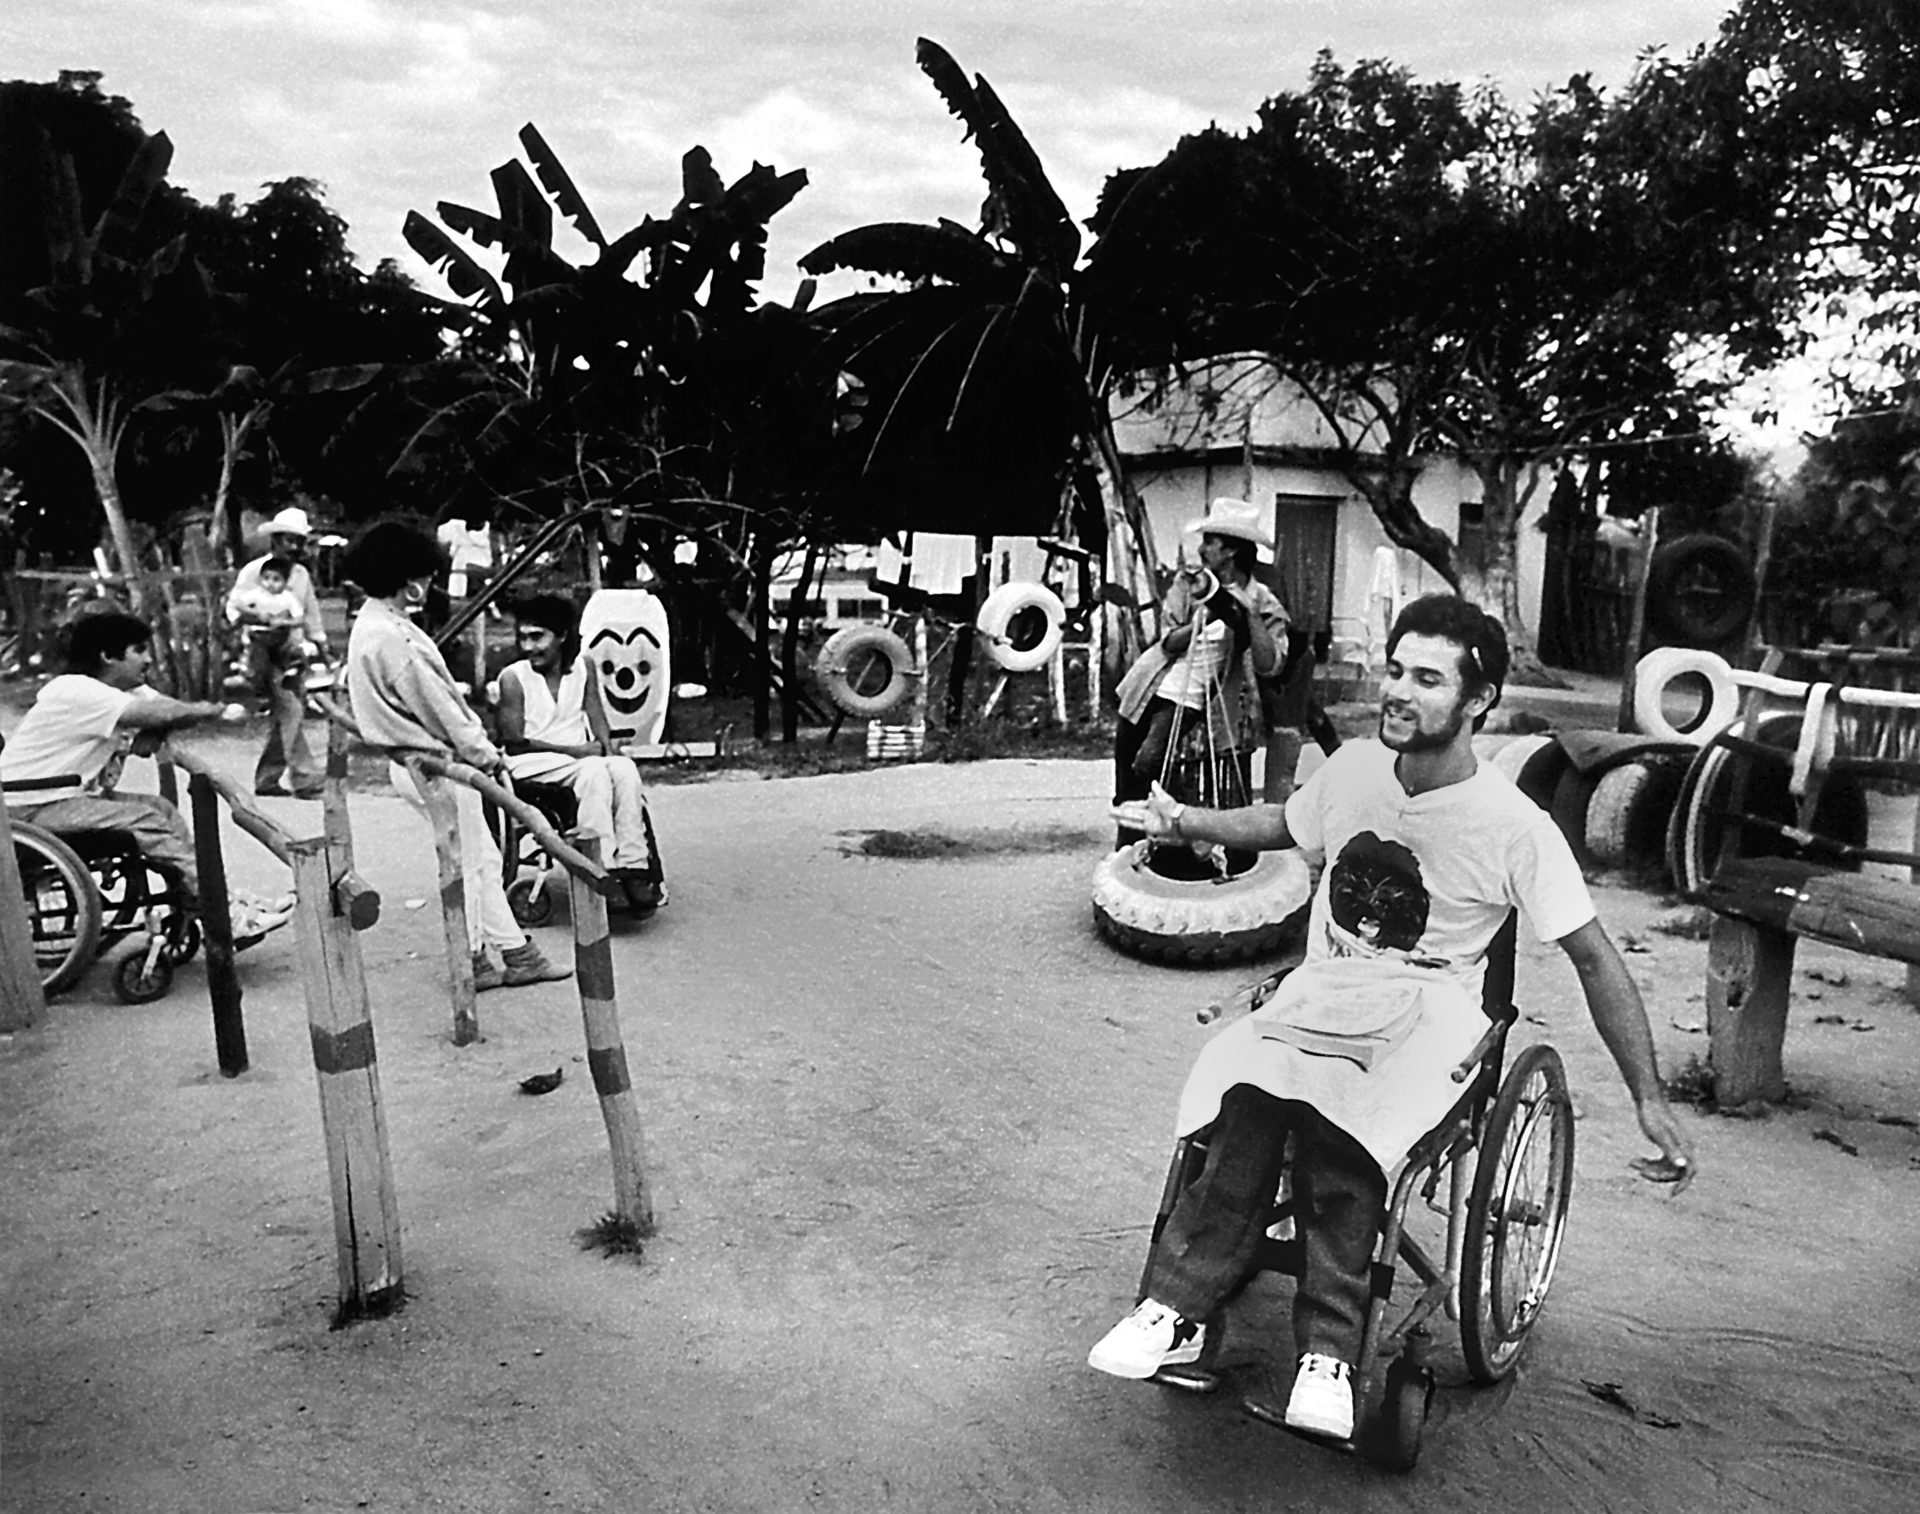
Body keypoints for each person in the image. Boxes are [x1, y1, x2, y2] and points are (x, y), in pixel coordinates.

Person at [1088, 593, 1696, 1442]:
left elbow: (1594, 957)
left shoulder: (1514, 827)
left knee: (1348, 1124)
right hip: (1326, 992)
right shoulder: (1356, 771)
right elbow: (1287, 824)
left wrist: (1649, 1099)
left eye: (1428, 679)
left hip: (1432, 1014)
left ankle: (1329, 1353)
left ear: (1478, 699)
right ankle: (1176, 1307)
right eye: (1396, 671)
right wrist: (1182, 820)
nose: (1399, 693)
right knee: (1245, 1095)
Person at [341, 519, 570, 993]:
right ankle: (473, 958)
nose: (429, 585)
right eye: (424, 576)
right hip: (434, 765)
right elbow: (443, 710)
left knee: (479, 858)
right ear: (407, 582)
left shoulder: (374, 624)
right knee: (471, 863)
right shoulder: (395, 640)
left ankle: (507, 952)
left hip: (415, 763)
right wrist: (486, 754)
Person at [1, 612, 237, 898]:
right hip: (26, 806)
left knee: (162, 810)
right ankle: (222, 907)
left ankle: (199, 899)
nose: (149, 660)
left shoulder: (124, 691)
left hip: (61, 798)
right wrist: (213, 711)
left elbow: (170, 709)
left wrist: (161, 728)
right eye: (139, 650)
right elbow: (164, 713)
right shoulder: (75, 689)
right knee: (147, 819)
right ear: (108, 656)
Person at [1112, 498, 1284, 845]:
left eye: (1210, 542)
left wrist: (1247, 614)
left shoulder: (1264, 601)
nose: (1202, 549)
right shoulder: (1189, 585)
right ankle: (1126, 864)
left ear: (1231, 550)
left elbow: (1270, 665)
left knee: (1184, 791)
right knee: (1131, 779)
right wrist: (1206, 617)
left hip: (1214, 717)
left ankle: (1185, 867)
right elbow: (1168, 643)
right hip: (1148, 691)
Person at [496, 594, 666, 914]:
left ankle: (632, 866)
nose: (529, 646)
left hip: (579, 762)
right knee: (593, 772)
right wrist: (575, 752)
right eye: (523, 638)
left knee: (623, 769)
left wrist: (607, 748)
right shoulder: (514, 677)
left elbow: (596, 714)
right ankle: (598, 867)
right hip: (528, 764)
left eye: (537, 637)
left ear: (561, 636)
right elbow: (515, 741)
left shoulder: (583, 667)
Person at [227, 506, 330, 798]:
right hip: (264, 648)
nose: (294, 547)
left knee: (290, 712)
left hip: (291, 651)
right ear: (276, 540)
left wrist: (321, 645)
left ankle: (275, 777)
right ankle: (304, 778)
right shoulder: (256, 572)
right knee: (292, 708)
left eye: (298, 541)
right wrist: (260, 620)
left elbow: (311, 614)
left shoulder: (300, 575)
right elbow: (234, 608)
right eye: (289, 540)